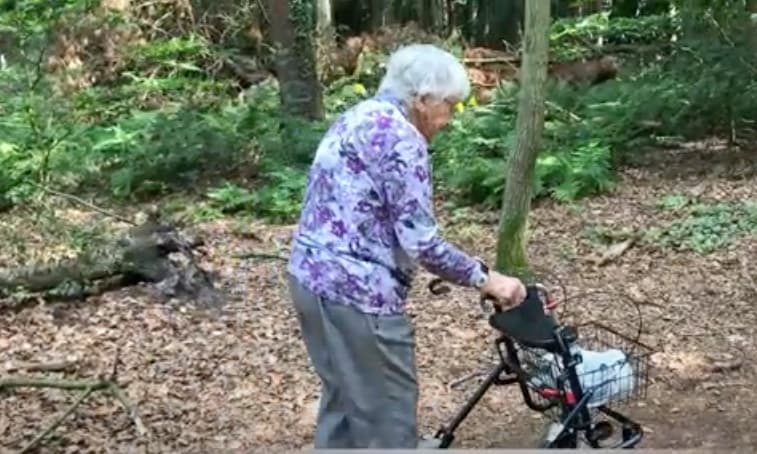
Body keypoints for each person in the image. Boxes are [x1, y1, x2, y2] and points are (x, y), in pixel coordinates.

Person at [286, 43, 527, 449]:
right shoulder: (402, 139)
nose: (450, 118)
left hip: (308, 280)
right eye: (449, 105)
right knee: (387, 415)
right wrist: (487, 279)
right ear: (422, 99)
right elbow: (422, 242)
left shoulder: (357, 116)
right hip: (359, 296)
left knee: (343, 403)